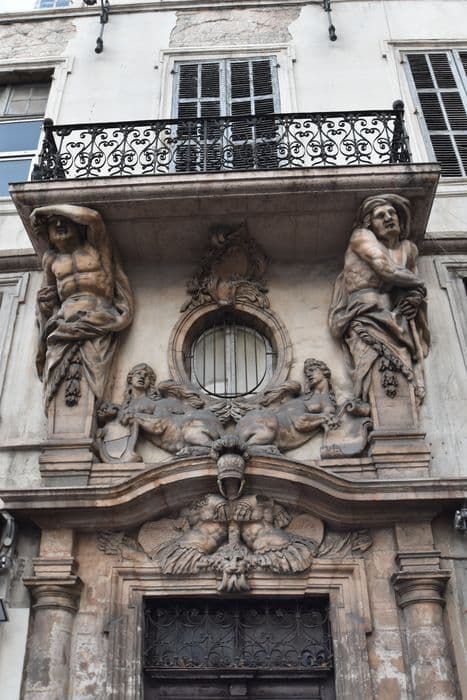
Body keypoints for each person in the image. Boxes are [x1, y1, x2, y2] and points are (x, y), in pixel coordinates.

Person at [328, 194, 429, 404]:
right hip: (365, 316)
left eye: (392, 213)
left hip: (396, 319)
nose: (388, 218)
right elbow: (386, 270)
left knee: (401, 368)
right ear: (369, 224)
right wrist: (420, 286)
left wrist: (415, 298)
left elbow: (412, 286)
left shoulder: (408, 249)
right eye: (380, 216)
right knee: (373, 370)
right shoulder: (361, 236)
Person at [31, 204, 134, 409]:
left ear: (77, 225)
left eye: (64, 220)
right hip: (62, 327)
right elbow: (51, 298)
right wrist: (45, 303)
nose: (59, 225)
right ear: (47, 233)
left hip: (97, 319)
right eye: (53, 223)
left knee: (93, 384)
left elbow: (94, 217)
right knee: (56, 384)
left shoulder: (95, 248)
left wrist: (46, 210)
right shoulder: (50, 259)